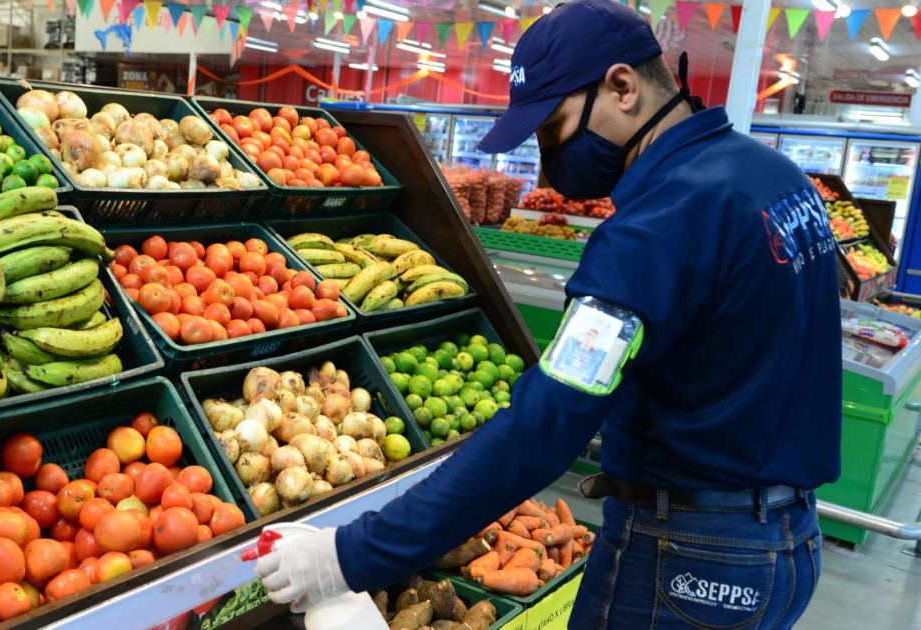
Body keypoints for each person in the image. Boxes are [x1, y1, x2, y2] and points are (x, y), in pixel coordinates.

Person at [254, 0, 841, 627]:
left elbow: (546, 426)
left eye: (552, 128)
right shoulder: (779, 179)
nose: (547, 158)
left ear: (621, 87)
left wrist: (349, 555)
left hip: (691, 554)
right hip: (787, 541)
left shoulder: (657, 226)